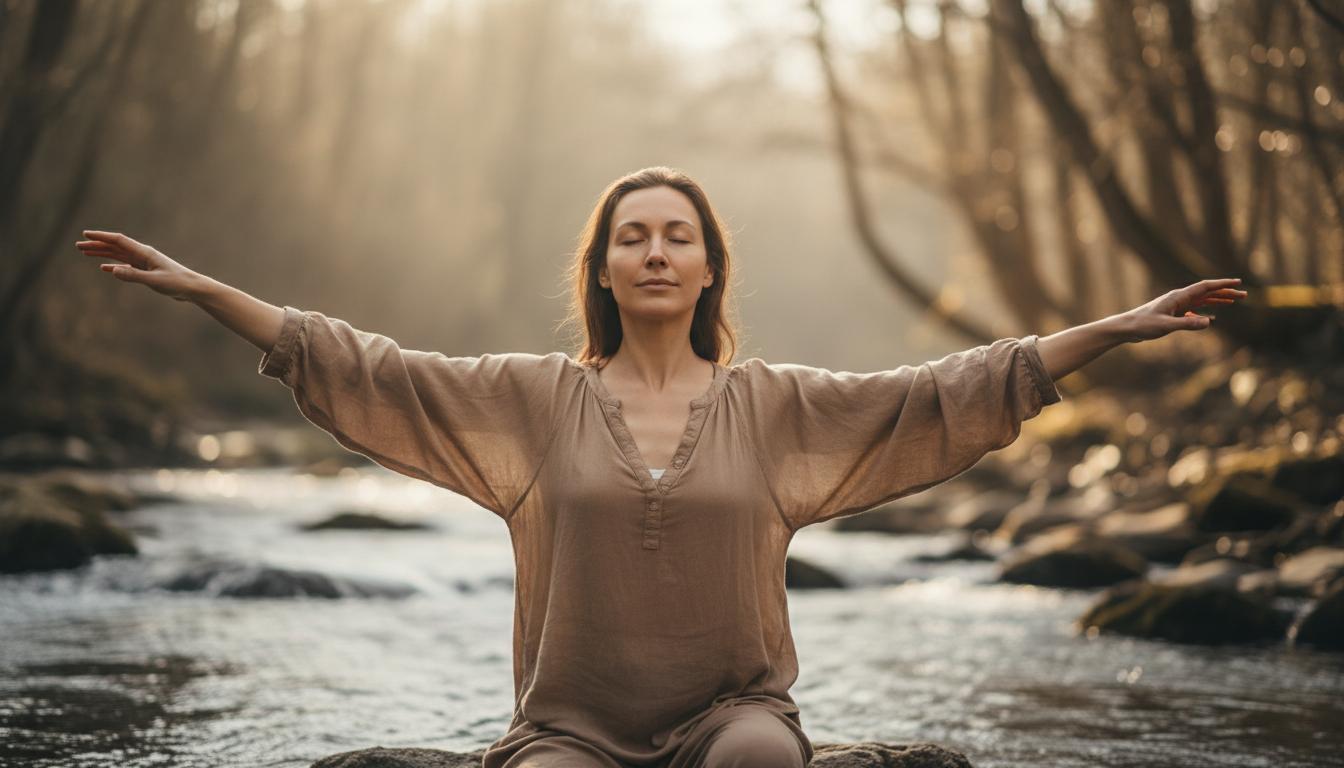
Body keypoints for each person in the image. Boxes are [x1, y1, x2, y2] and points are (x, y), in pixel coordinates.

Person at [75, 166, 1246, 767]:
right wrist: (202, 290)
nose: (654, 249)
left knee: (752, 760)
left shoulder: (778, 406)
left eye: (675, 234)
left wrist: (1115, 327)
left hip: (732, 713)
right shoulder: (530, 402)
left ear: (707, 269)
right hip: (568, 729)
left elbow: (944, 392)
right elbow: (363, 364)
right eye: (632, 234)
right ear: (602, 267)